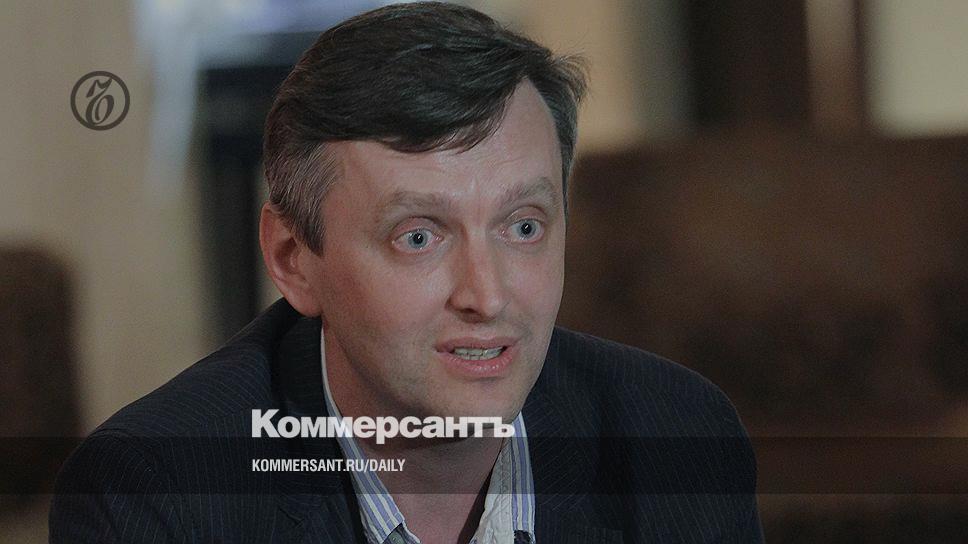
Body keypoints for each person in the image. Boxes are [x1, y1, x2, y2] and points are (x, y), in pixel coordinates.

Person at [50, 2, 762, 542]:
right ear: (293, 260)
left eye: (523, 227)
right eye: (418, 237)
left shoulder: (677, 437)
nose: (487, 296)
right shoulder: (158, 495)